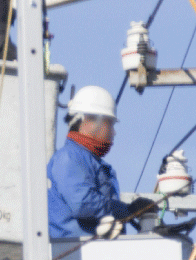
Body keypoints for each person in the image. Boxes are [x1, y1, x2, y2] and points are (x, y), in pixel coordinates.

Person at [47, 86, 135, 239]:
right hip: (74, 252)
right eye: (109, 123)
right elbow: (82, 204)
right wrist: (124, 210)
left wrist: (128, 210)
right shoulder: (68, 157)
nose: (113, 132)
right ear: (88, 121)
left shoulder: (88, 161)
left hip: (93, 251)